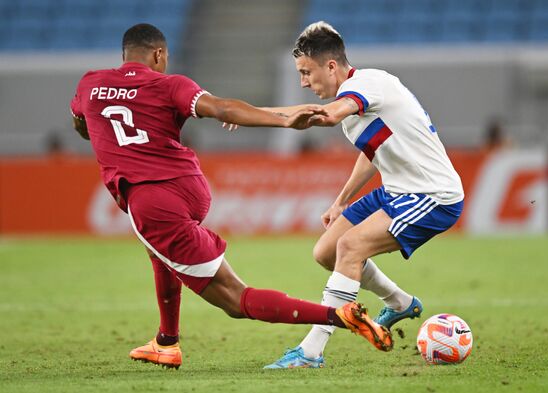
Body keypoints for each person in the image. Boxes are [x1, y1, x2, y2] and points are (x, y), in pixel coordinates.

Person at [69, 23, 393, 370]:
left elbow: (81, 124)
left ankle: (339, 315)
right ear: (159, 55)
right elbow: (222, 108)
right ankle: (166, 341)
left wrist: (105, 134)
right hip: (190, 186)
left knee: (236, 300)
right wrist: (283, 120)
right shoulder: (170, 84)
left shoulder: (91, 84)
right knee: (159, 251)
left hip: (152, 201)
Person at [258, 22, 464, 369]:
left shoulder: (366, 84)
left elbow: (327, 116)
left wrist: (260, 116)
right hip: (397, 190)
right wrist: (341, 201)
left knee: (351, 247)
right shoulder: (358, 100)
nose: (304, 82)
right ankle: (399, 302)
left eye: (307, 72)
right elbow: (373, 151)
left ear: (332, 66)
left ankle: (311, 352)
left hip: (433, 194)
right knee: (325, 251)